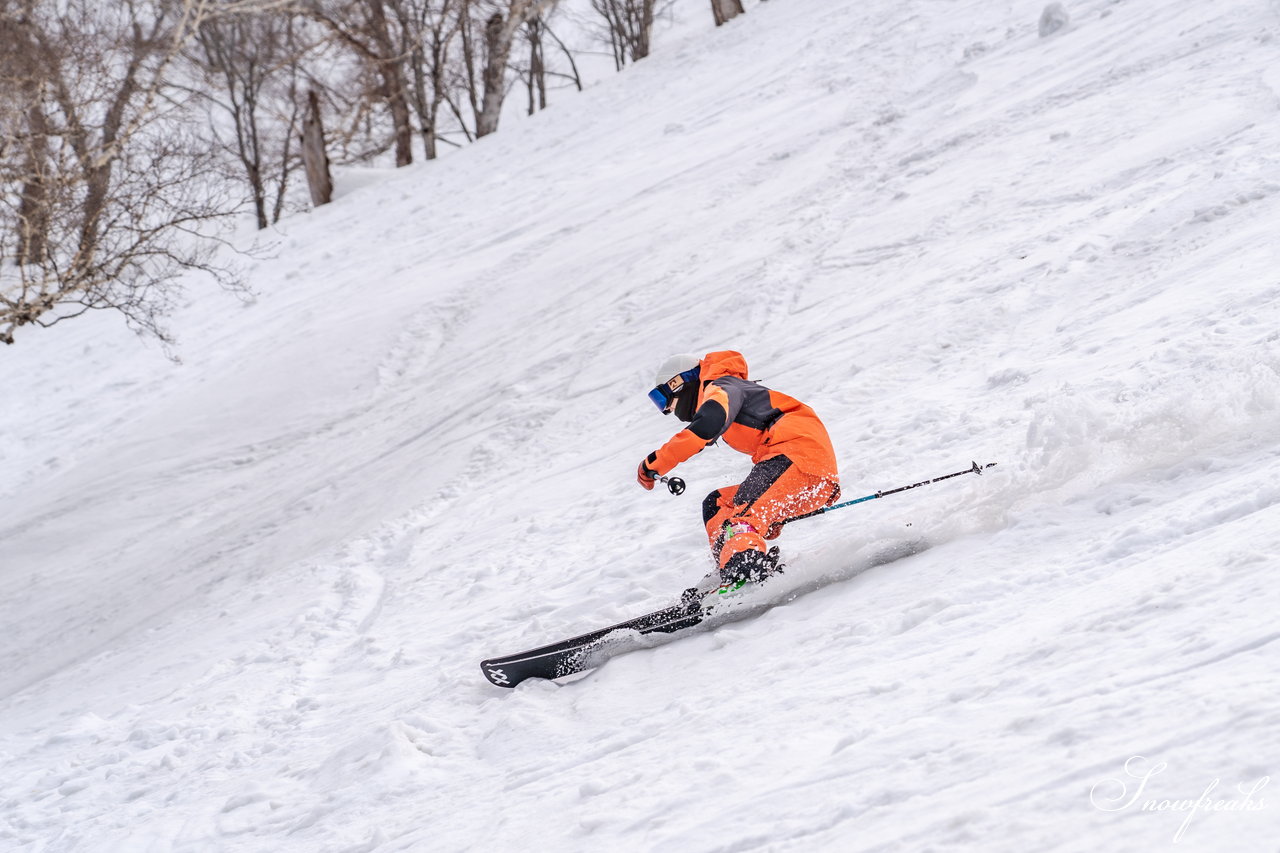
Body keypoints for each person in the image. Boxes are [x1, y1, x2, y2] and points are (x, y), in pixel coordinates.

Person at [637, 350, 841, 590]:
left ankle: (746, 567)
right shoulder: (726, 390)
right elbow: (703, 431)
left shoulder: (721, 387)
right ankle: (730, 562)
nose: (667, 409)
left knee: (742, 513)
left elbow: (707, 424)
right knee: (717, 504)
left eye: (662, 399)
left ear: (679, 383)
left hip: (797, 458)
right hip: (800, 473)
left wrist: (655, 463)